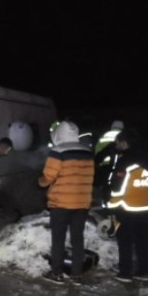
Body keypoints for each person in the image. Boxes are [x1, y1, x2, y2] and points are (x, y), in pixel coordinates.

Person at [38, 120, 94, 285]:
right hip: (82, 203)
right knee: (78, 239)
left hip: (61, 203)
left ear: (59, 134)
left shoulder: (58, 151)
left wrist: (40, 182)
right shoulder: (87, 152)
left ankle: (57, 273)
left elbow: (48, 177)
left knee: (58, 239)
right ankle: (77, 274)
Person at [106, 130, 148, 283]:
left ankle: (125, 272)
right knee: (142, 240)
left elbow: (118, 189)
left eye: (118, 143)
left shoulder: (126, 161)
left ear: (125, 143)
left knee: (125, 241)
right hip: (143, 207)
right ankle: (142, 271)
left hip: (126, 207)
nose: (116, 146)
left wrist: (111, 207)